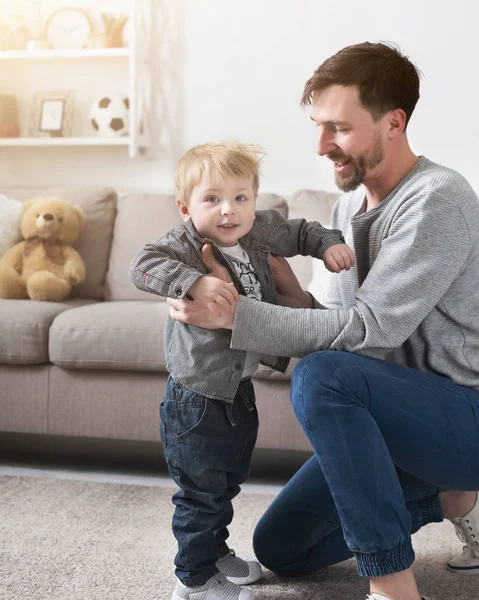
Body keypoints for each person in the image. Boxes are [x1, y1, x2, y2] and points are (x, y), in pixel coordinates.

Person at [166, 42, 479, 600]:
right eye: (317, 126)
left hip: (462, 417)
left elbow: (368, 330)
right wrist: (290, 297)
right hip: (395, 420)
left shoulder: (438, 199)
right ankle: (451, 496)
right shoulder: (345, 211)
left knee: (321, 376)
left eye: (337, 128)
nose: (320, 146)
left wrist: (235, 318)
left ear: (393, 122)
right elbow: (340, 330)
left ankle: (391, 587)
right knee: (283, 549)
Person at [128, 141, 355, 600]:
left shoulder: (261, 231)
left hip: (238, 386)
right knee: (201, 490)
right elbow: (142, 266)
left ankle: (213, 552)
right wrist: (193, 280)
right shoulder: (184, 245)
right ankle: (192, 578)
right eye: (211, 199)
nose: (228, 211)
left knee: (229, 478)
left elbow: (306, 230)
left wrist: (329, 245)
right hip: (197, 394)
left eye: (240, 197)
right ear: (185, 207)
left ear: (254, 198)